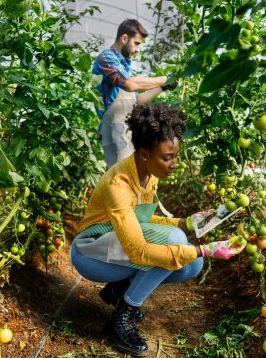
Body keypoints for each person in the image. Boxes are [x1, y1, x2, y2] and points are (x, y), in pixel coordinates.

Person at [71, 102, 246, 357]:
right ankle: (121, 317)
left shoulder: (148, 174)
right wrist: (204, 250)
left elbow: (142, 220)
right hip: (90, 253)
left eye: (175, 156)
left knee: (191, 265)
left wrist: (184, 222)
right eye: (168, 157)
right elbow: (140, 250)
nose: (174, 163)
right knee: (179, 246)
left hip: (116, 244)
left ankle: (119, 290)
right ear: (144, 153)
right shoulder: (118, 184)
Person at [93, 18, 177, 168]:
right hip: (114, 127)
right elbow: (131, 85)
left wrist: (163, 87)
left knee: (131, 173)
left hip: (127, 127)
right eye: (137, 43)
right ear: (124, 38)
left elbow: (138, 100)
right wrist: (164, 79)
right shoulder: (105, 58)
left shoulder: (125, 66)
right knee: (121, 173)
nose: (138, 49)